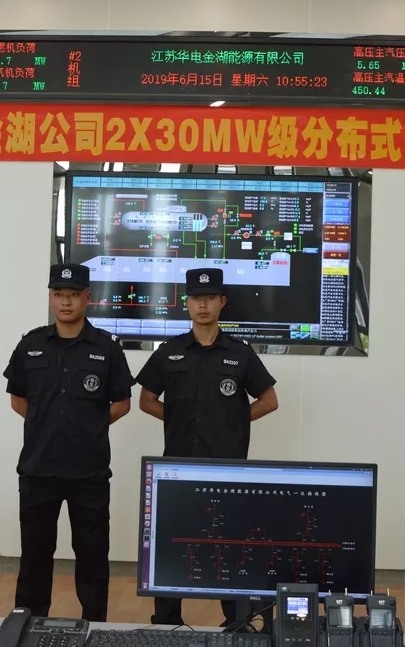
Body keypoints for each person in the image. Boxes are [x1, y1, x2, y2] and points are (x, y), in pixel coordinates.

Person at [135, 267, 279, 628]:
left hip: (226, 467)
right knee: (173, 543)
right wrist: (179, 417)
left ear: (222, 302)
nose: (203, 305)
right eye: (197, 298)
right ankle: (167, 622)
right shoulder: (169, 352)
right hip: (177, 468)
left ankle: (236, 621)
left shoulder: (240, 353)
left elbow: (269, 400)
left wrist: (232, 421)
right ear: (187, 303)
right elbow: (146, 400)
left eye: (210, 298)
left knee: (229, 544)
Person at [2, 263, 134, 622]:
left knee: (92, 555)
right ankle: (29, 623)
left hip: (88, 473)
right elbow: (18, 400)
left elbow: (122, 403)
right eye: (59, 294)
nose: (65, 302)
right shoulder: (30, 345)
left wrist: (88, 426)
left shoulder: (106, 348)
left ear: (87, 298)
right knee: (35, 555)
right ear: (50, 297)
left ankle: (95, 624)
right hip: (38, 469)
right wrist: (47, 424)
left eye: (73, 295)